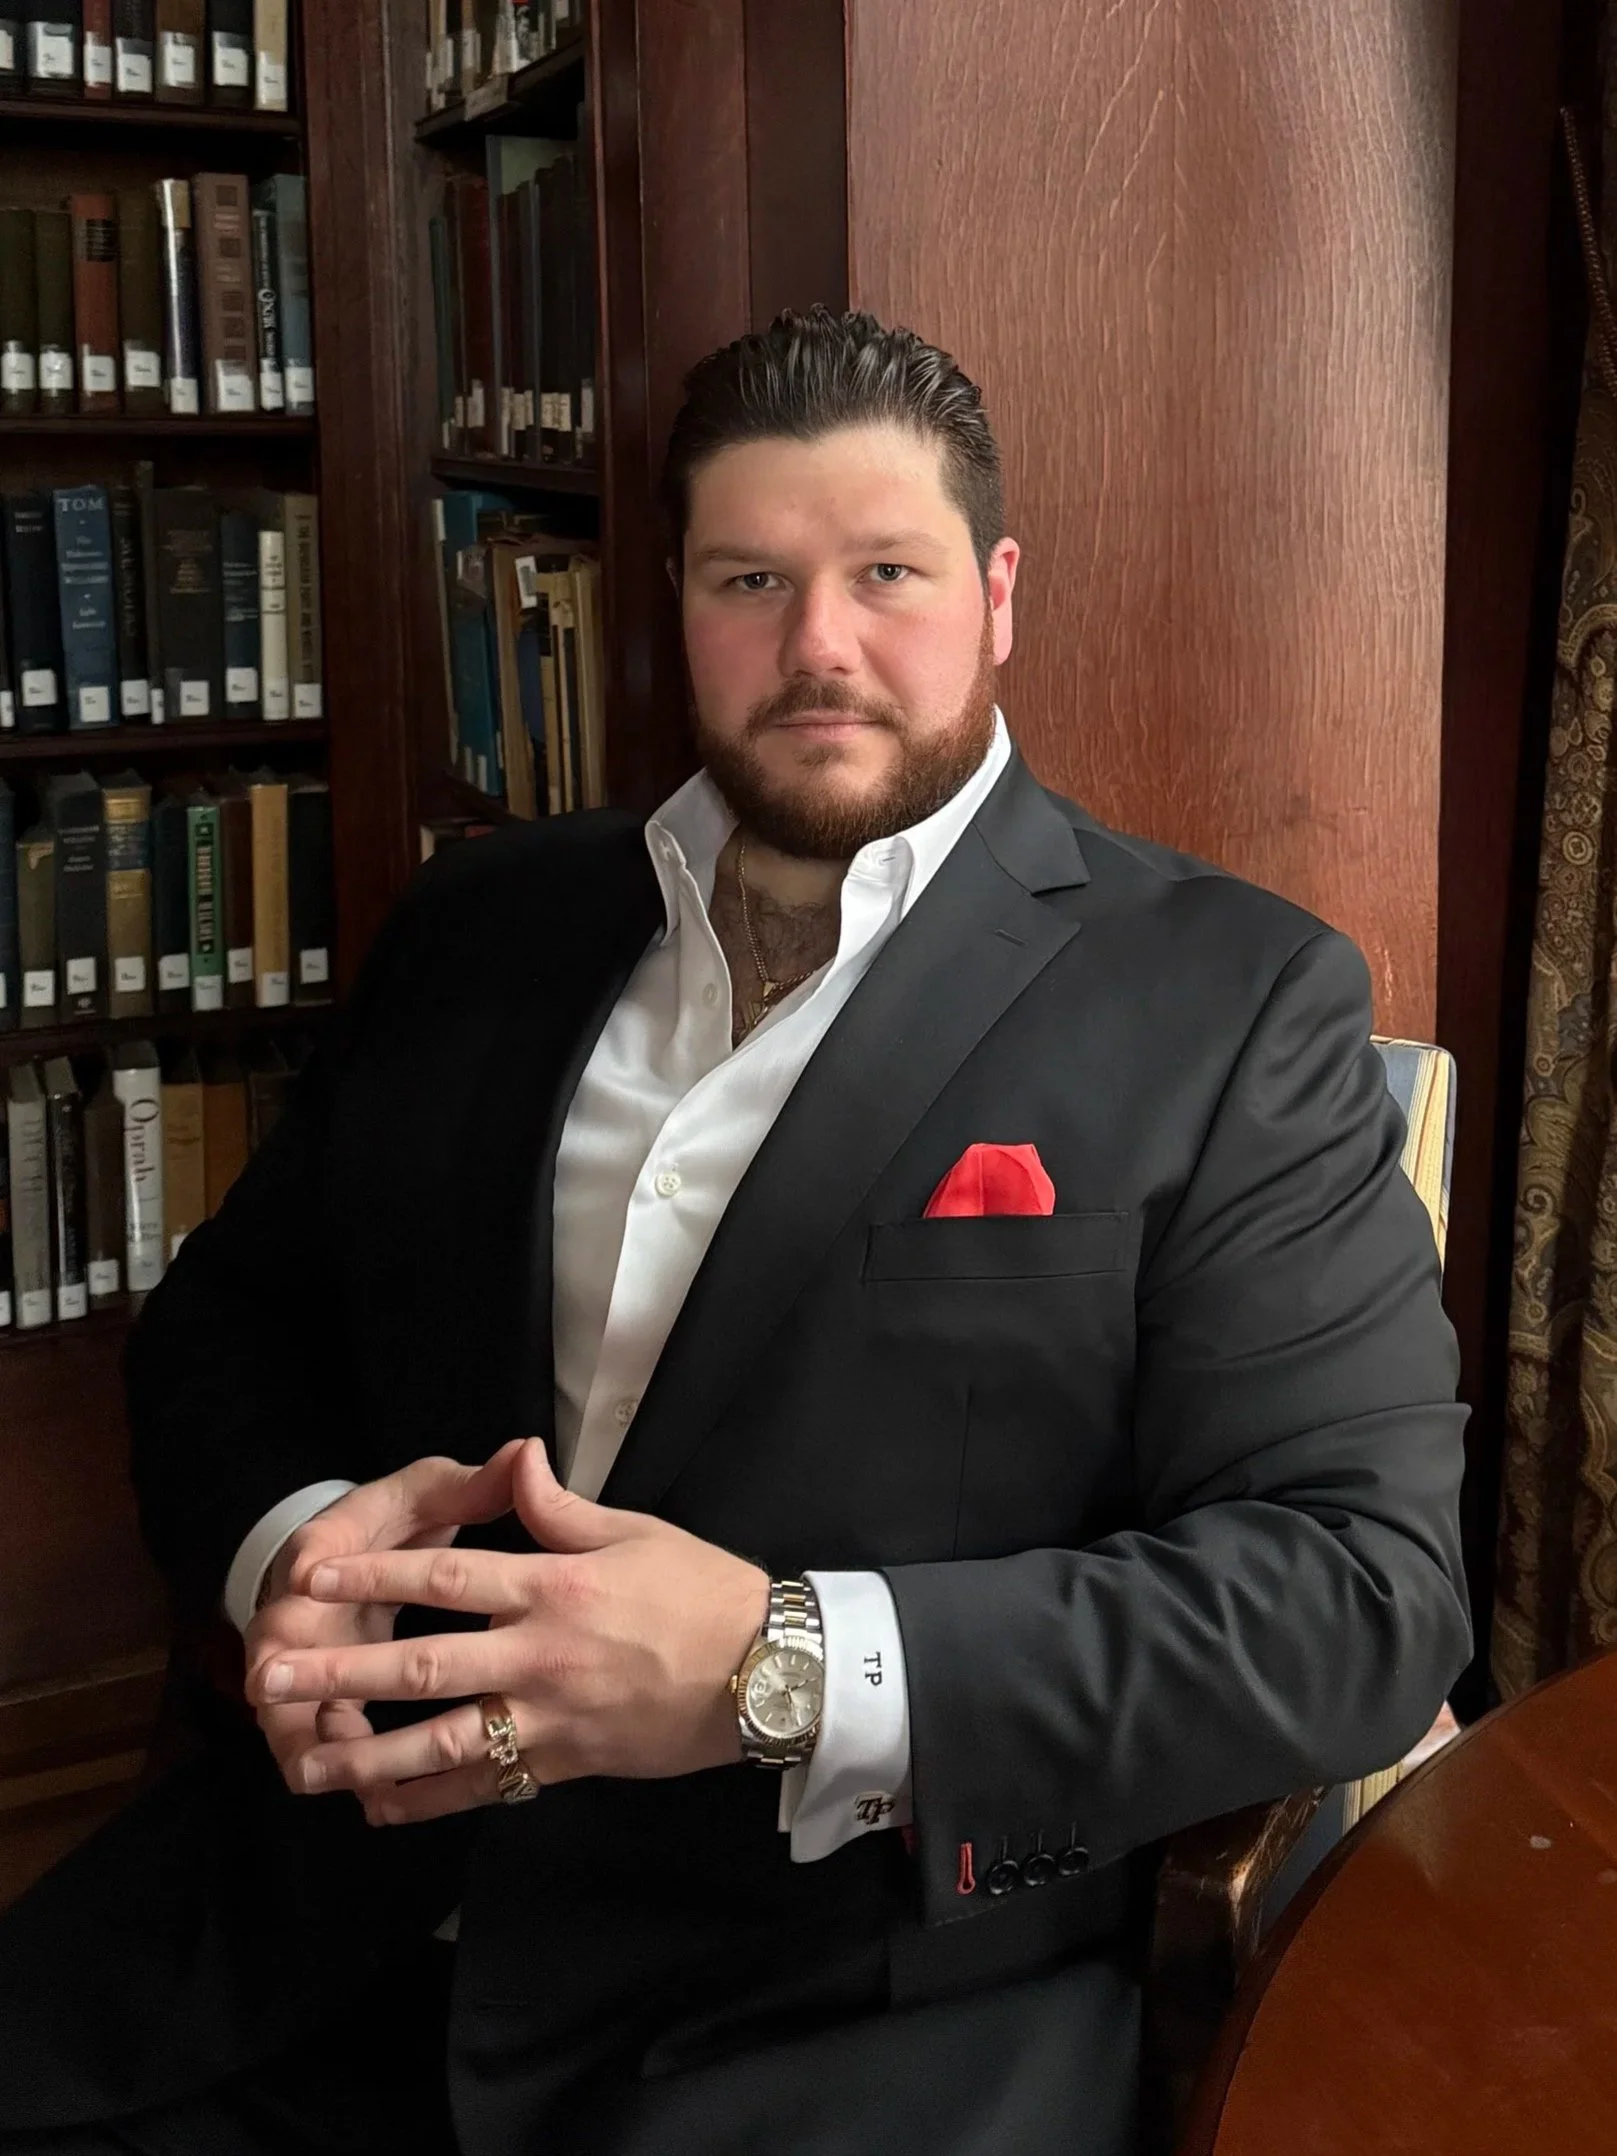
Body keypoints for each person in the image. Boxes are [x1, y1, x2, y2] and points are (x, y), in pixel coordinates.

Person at [0, 305, 1470, 2156]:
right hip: (320, 1922)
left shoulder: (1228, 1001)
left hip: (842, 2011)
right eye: (752, 580)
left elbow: (1360, 1597)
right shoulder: (484, 925)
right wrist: (295, 1548)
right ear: (677, 606)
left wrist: (780, 1666)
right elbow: (228, 1326)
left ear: (998, 595)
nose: (820, 646)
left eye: (887, 574)